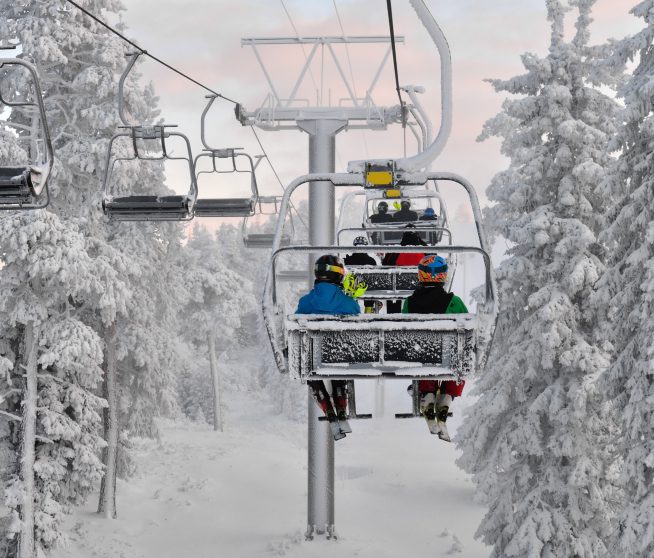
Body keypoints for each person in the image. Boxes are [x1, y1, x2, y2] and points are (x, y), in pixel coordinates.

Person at [402, 255, 467, 442]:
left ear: (421, 276)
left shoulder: (410, 302)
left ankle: (428, 395)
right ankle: (446, 398)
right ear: (443, 276)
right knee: (458, 360)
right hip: (448, 356)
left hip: (422, 357)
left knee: (424, 357)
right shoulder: (454, 302)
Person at [296, 255, 359, 440]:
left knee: (310, 368)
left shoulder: (306, 302)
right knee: (339, 364)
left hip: (315, 355)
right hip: (341, 355)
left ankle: (327, 407)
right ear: (339, 275)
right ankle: (340, 405)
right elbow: (356, 316)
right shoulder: (347, 302)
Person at [344, 237, 378, 313]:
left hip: (353, 288)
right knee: (369, 287)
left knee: (351, 288)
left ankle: (353, 308)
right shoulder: (371, 261)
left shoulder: (348, 260)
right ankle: (368, 310)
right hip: (367, 288)